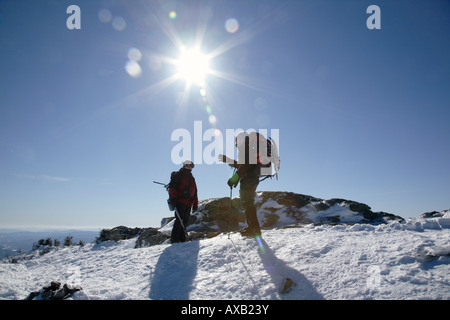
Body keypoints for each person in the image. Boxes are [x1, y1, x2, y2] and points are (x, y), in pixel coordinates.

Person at [219, 132, 262, 237]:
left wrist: (233, 179)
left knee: (248, 203)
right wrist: (228, 160)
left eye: (236, 140)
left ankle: (254, 229)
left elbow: (243, 167)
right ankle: (252, 227)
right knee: (248, 203)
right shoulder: (248, 150)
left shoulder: (246, 149)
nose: (235, 142)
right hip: (252, 179)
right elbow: (242, 165)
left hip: (249, 180)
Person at [168, 160, 198, 243]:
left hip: (189, 203)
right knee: (179, 220)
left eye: (191, 166)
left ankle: (182, 238)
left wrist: (195, 203)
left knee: (185, 220)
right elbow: (173, 188)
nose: (189, 167)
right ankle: (174, 239)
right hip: (180, 201)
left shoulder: (191, 178)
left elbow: (195, 192)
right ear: (184, 165)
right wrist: (173, 199)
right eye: (188, 166)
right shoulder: (179, 175)